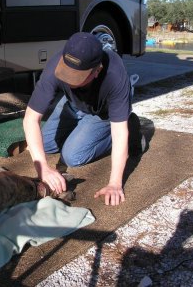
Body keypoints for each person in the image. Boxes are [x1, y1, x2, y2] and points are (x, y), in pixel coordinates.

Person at [23, 32, 143, 206]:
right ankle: (81, 127)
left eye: (76, 77)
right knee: (45, 145)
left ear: (97, 70)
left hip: (103, 112)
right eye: (66, 73)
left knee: (73, 156)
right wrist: (42, 168)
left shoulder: (115, 75)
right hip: (73, 104)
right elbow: (30, 119)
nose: (68, 79)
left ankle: (131, 125)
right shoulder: (55, 64)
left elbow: (119, 133)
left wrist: (115, 183)